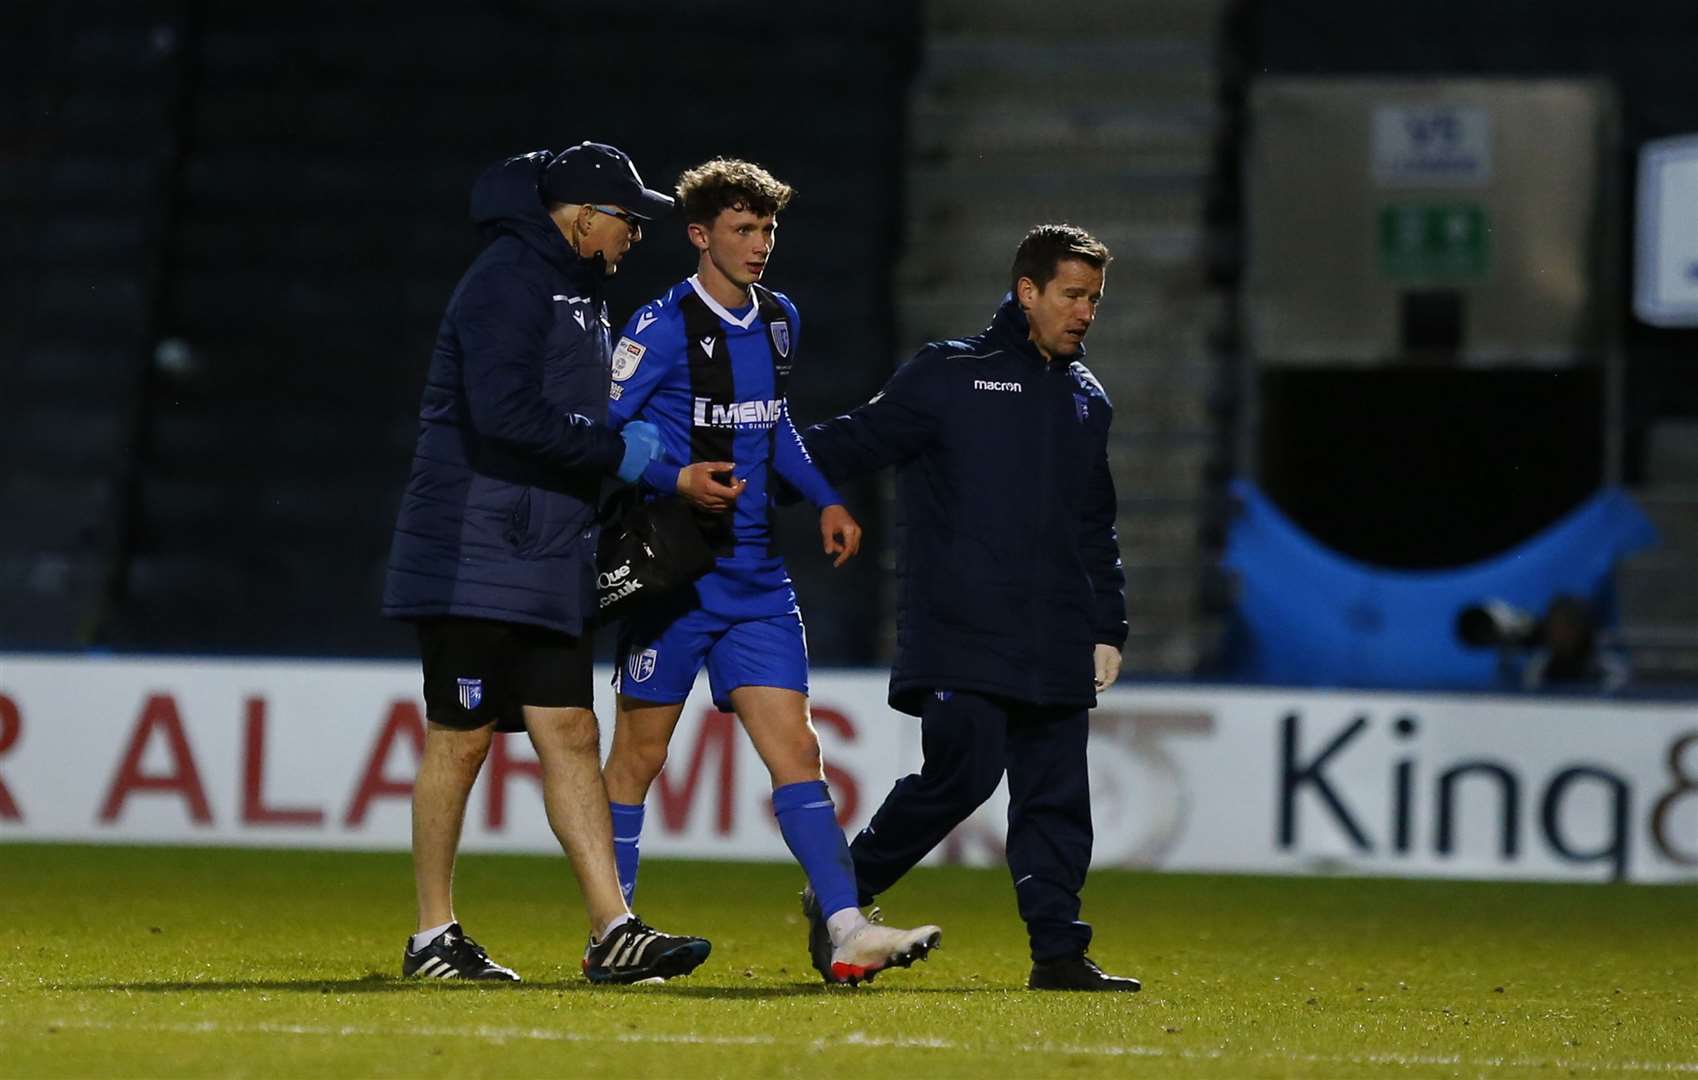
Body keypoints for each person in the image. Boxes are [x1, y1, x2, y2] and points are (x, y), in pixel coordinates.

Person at [382, 142, 728, 985]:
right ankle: (433, 937)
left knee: (572, 731)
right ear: (578, 216)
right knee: (459, 741)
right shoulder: (507, 279)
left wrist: (615, 470)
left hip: (546, 547)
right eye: (627, 218)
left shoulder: (577, 287)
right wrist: (621, 455)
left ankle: (614, 930)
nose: (636, 233)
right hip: (474, 545)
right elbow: (503, 416)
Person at [598, 158, 943, 986]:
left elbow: (773, 422)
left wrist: (826, 497)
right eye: (744, 230)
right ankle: (611, 930)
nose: (759, 246)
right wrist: (670, 478)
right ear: (700, 234)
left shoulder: (780, 320)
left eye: (768, 230)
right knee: (638, 760)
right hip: (676, 579)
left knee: (798, 750)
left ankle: (847, 925)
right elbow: (600, 433)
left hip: (756, 580)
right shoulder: (657, 325)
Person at [798, 224, 1141, 992]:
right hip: (961, 627)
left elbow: (1095, 524)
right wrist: (755, 463)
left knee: (1057, 796)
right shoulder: (951, 374)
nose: (1085, 311)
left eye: (1094, 298)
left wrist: (1107, 624)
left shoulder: (1089, 400)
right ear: (1027, 292)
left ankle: (1058, 954)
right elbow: (853, 441)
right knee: (965, 773)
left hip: (1056, 630)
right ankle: (840, 896)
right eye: (1071, 295)